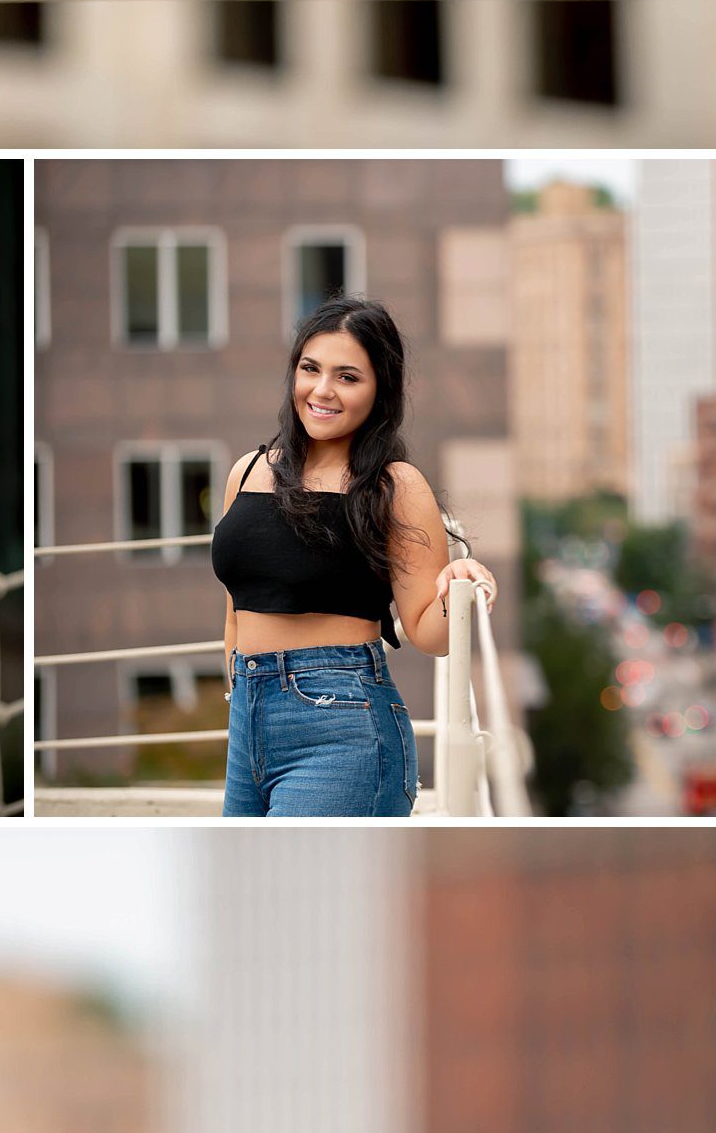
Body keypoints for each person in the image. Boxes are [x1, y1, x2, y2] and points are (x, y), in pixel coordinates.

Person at [211, 295, 500, 818]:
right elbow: (237, 597)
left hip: (342, 725)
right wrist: (239, 683)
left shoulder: (394, 486)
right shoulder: (248, 471)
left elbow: (429, 635)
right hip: (248, 721)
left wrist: (457, 582)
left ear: (379, 390)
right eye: (310, 369)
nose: (322, 391)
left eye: (348, 377)